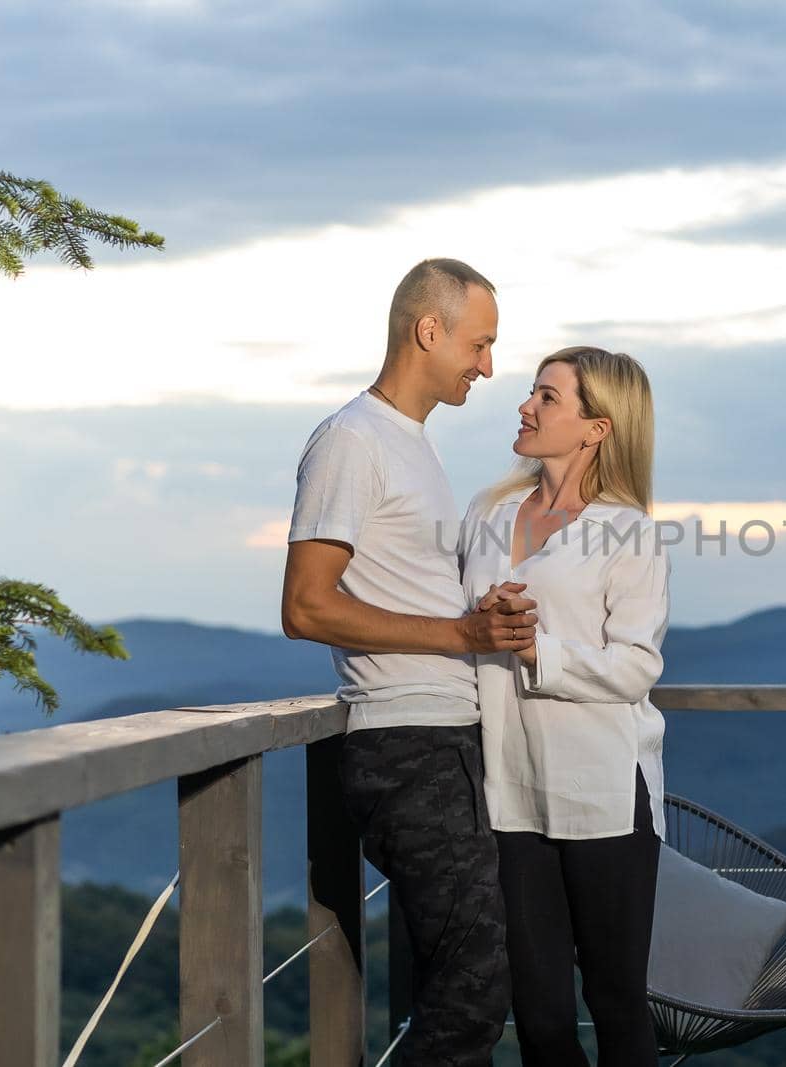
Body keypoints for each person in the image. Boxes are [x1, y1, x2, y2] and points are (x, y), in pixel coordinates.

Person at [281, 257, 536, 1065]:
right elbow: (306, 606)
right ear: (430, 330)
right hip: (405, 745)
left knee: (465, 979)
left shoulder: (410, 445)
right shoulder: (352, 441)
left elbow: (415, 592)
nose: (488, 367)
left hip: (446, 739)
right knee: (475, 984)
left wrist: (483, 620)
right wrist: (462, 635)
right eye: (480, 343)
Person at [461, 346, 670, 1067]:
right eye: (532, 392)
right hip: (509, 791)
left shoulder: (629, 532)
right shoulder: (487, 513)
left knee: (615, 1002)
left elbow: (637, 666)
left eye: (547, 397)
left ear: (596, 428)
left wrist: (533, 651)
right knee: (540, 1015)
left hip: (604, 794)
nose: (526, 405)